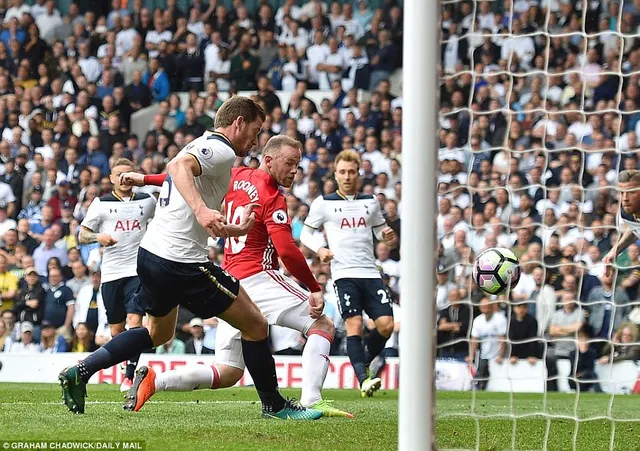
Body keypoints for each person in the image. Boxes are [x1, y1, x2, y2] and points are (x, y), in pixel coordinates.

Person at [58, 96, 321, 420]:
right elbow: (177, 168)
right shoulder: (221, 149)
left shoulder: (204, 148)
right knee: (255, 324)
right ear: (237, 123)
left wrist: (231, 228)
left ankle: (81, 370)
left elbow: (180, 185)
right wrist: (201, 209)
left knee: (158, 334)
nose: (255, 141)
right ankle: (274, 406)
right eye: (254, 132)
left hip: (151, 255)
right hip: (182, 263)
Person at [121, 135, 350, 417]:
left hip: (231, 287)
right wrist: (314, 287)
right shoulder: (271, 194)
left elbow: (180, 180)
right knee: (322, 324)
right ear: (268, 160)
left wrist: (143, 179)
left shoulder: (234, 175)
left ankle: (157, 381)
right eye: (290, 163)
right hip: (260, 276)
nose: (295, 171)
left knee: (228, 371)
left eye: (298, 165)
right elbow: (287, 250)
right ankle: (312, 400)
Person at [300, 149, 396, 397]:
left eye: (351, 172)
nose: (347, 176)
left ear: (358, 174)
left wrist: (389, 237)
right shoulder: (324, 203)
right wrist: (320, 248)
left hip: (370, 272)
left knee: (386, 325)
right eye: (342, 172)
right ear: (335, 173)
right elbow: (305, 233)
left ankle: (362, 361)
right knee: (354, 324)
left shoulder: (370, 202)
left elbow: (381, 233)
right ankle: (364, 379)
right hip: (344, 275)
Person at [78, 158, 156, 392]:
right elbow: (82, 234)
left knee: (135, 322)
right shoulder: (101, 203)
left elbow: (163, 223)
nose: (124, 179)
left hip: (137, 270)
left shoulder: (147, 201)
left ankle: (130, 376)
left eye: (128, 174)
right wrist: (97, 238)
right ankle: (125, 366)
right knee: (116, 330)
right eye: (119, 175)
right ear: (111, 179)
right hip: (111, 273)